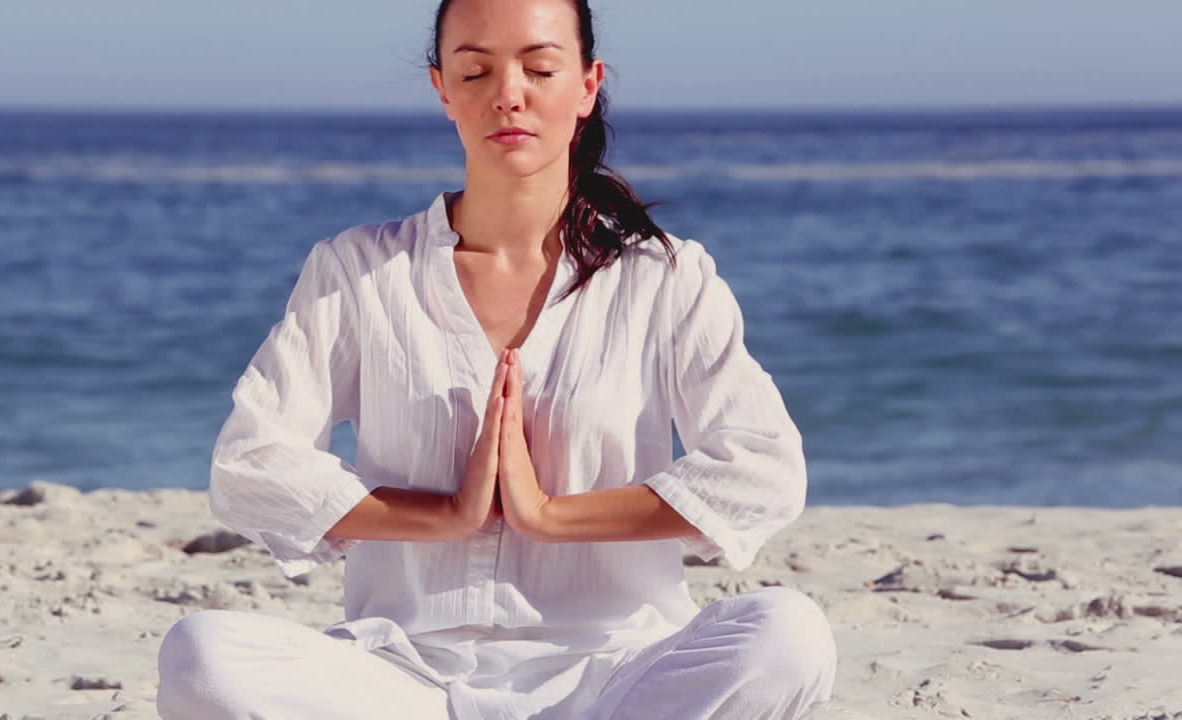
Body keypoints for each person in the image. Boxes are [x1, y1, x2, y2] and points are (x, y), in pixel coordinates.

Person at [155, 0, 837, 717]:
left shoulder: (663, 278)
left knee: (789, 635)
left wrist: (549, 515)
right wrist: (446, 514)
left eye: (540, 68)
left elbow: (763, 472)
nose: (508, 94)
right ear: (442, 89)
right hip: (403, 677)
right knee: (203, 655)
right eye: (476, 71)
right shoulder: (359, 270)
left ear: (588, 85)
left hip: (614, 678)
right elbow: (251, 465)